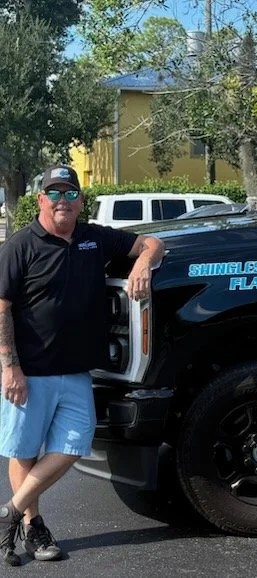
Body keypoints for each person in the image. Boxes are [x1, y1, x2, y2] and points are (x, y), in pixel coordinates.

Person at [0, 165, 165, 565]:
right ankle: (33, 527)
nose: (62, 201)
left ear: (80, 201)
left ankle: (8, 513)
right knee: (24, 452)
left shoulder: (95, 238)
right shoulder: (20, 246)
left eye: (69, 194)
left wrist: (144, 262)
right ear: (40, 200)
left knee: (75, 443)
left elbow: (152, 242)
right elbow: (2, 309)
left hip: (76, 373)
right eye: (53, 194)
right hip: (30, 372)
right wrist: (10, 367)